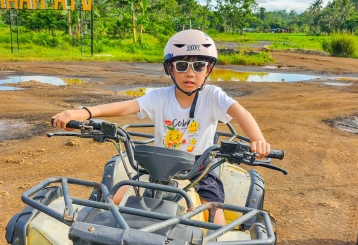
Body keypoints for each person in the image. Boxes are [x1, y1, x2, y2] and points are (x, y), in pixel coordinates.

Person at [52, 29, 270, 225]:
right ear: (170, 69)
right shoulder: (160, 97)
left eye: (198, 66)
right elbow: (126, 106)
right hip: (157, 167)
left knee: (215, 220)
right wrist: (86, 112)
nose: (190, 73)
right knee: (112, 203)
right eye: (182, 66)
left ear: (208, 69)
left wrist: (257, 139)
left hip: (199, 170)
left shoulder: (213, 96)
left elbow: (240, 113)